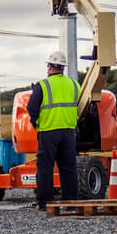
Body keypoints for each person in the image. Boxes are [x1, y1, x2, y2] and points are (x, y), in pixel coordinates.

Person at [25, 52, 80, 210]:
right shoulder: (74, 85)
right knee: (69, 167)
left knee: (45, 167)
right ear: (63, 68)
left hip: (48, 131)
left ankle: (44, 203)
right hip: (68, 132)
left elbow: (31, 108)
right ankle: (71, 203)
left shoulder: (43, 85)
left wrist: (36, 123)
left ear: (49, 67)